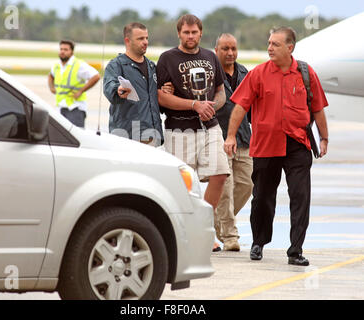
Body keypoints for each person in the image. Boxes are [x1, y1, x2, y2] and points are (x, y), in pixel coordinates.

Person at [224, 27, 329, 266]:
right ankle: (258, 242)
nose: (269, 48)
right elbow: (240, 107)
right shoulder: (258, 74)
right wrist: (231, 136)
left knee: (300, 197)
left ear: (289, 48)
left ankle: (295, 250)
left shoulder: (305, 73)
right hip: (265, 144)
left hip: (297, 144)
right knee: (262, 198)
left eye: (275, 44)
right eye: (269, 43)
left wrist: (324, 138)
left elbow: (318, 108)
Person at [157, 14, 230, 252]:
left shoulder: (210, 56)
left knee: (220, 173)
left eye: (194, 32)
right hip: (179, 129)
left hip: (210, 128)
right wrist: (193, 105)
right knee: (182, 185)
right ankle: (180, 233)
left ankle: (203, 230)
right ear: (179, 33)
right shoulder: (167, 58)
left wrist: (212, 107)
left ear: (201, 33)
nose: (190, 36)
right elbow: (161, 96)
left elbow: (220, 92)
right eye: (186, 32)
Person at [103, 22, 173, 146]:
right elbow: (109, 86)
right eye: (140, 38)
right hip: (126, 137)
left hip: (152, 136)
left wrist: (167, 90)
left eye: (146, 38)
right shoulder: (116, 65)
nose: (145, 42)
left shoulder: (152, 67)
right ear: (127, 41)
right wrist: (118, 90)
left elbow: (157, 99)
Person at [214, 33, 253, 252]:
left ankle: (212, 223)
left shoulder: (244, 73)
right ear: (216, 50)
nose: (230, 53)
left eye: (233, 49)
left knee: (246, 186)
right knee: (225, 189)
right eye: (225, 49)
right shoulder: (211, 74)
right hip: (219, 138)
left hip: (244, 139)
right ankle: (229, 236)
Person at [48, 39, 100, 128]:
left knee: (76, 138)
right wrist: (51, 88)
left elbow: (96, 76)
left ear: (72, 51)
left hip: (76, 108)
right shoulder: (57, 65)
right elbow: (51, 76)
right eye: (61, 49)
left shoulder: (79, 65)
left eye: (65, 49)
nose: (62, 52)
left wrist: (81, 91)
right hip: (60, 107)